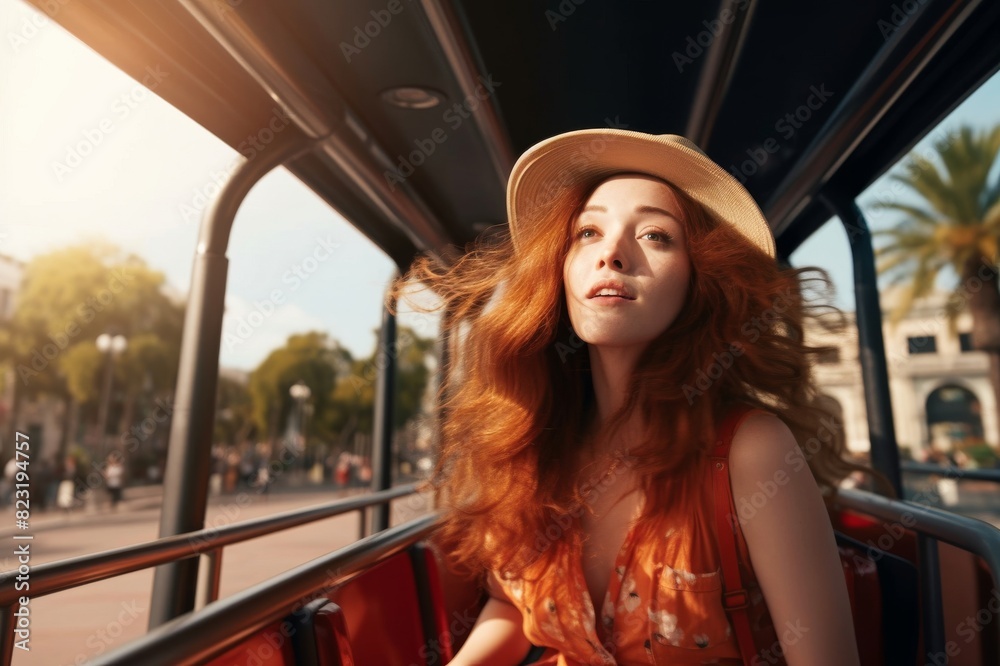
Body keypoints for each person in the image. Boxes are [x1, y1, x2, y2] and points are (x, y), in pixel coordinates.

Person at [398, 129, 868, 665]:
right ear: (560, 269)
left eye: (655, 236)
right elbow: (510, 605)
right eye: (587, 233)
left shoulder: (750, 452)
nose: (612, 254)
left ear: (701, 279)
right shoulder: (538, 442)